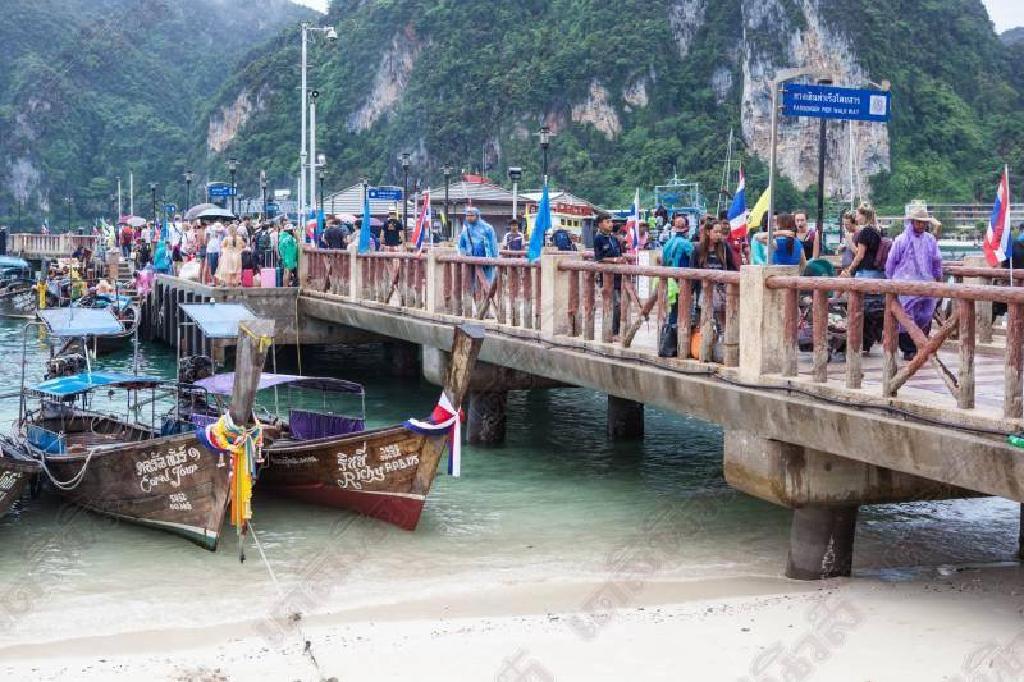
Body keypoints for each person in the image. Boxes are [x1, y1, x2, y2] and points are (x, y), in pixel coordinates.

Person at [885, 201, 943, 360]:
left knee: (926, 315)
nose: (921, 225)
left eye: (924, 222)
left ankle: (921, 345)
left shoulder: (930, 240)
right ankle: (908, 349)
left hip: (925, 284)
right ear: (912, 222)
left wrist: (938, 277)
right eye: (919, 222)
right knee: (905, 317)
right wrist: (891, 282)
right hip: (905, 286)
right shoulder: (901, 240)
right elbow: (891, 262)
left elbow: (936, 260)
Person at [593, 212, 624, 337]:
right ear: (600, 224)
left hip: (618, 275)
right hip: (607, 277)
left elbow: (620, 254)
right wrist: (614, 260)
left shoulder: (613, 238)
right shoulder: (598, 238)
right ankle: (612, 332)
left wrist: (621, 260)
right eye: (607, 222)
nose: (610, 224)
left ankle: (618, 330)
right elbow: (599, 258)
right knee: (614, 304)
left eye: (611, 222)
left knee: (620, 303)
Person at [840, 202, 884, 280]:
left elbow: (860, 255)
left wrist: (850, 269)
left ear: (864, 216)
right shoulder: (877, 231)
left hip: (865, 271)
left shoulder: (864, 232)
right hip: (876, 271)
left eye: (858, 215)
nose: (856, 218)